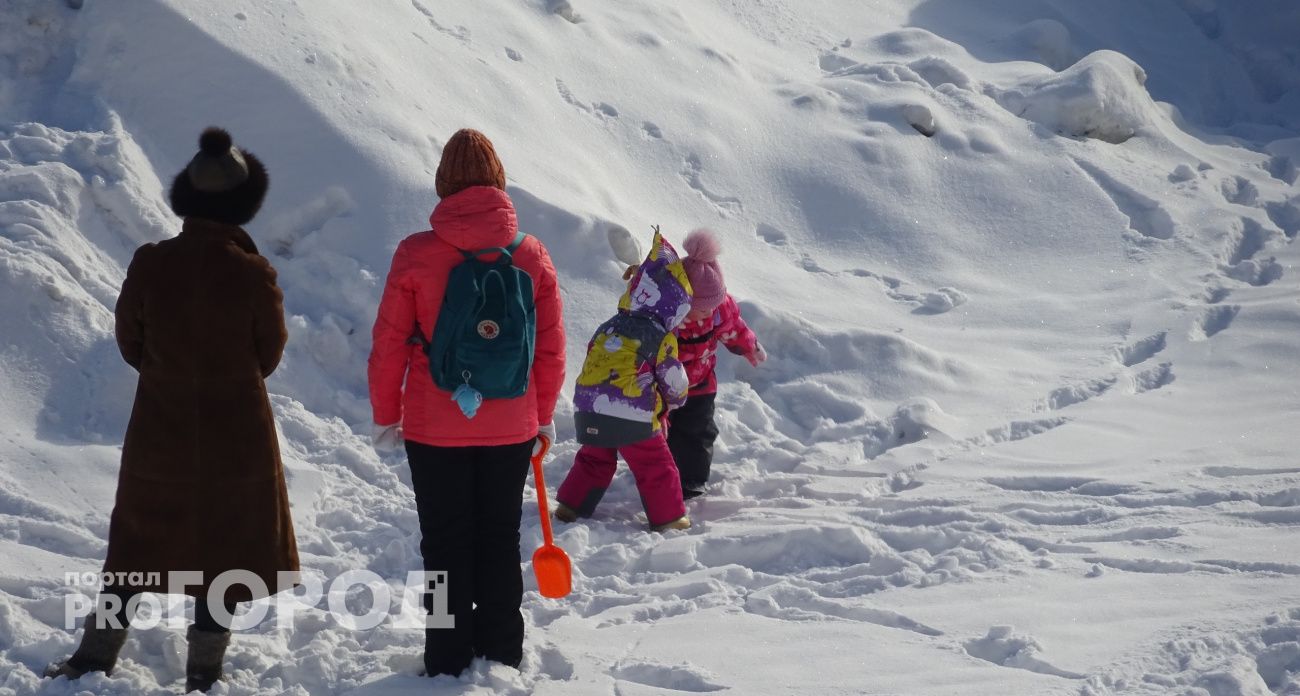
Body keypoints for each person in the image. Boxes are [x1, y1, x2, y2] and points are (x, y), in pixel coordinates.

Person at [45, 128, 298, 693]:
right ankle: (204, 674)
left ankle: (93, 658)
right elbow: (268, 354)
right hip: (238, 435)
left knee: (136, 543)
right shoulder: (253, 274)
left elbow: (130, 342)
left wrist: (169, 377)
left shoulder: (152, 264)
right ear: (243, 204)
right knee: (223, 550)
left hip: (160, 428)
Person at [368, 128, 565, 677]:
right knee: (500, 537)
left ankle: (446, 655)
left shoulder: (416, 253)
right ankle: (502, 649)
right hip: (512, 424)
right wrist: (542, 415)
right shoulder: (530, 253)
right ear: (498, 182)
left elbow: (389, 343)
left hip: (434, 426)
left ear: (443, 185)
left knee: (443, 543)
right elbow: (549, 347)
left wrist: (386, 414)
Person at [553, 229, 693, 531]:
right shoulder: (661, 336)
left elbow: (593, 357)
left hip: (589, 407)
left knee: (594, 459)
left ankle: (570, 507)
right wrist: (677, 399)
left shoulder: (608, 326)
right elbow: (673, 378)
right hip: (633, 414)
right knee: (654, 465)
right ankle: (669, 518)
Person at [670, 229, 765, 498]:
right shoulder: (668, 316)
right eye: (702, 308)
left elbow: (733, 328)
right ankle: (660, 473)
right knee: (664, 432)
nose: (709, 311)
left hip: (701, 384)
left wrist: (749, 347)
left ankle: (691, 481)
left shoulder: (718, 310)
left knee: (699, 431)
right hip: (664, 388)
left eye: (714, 305)